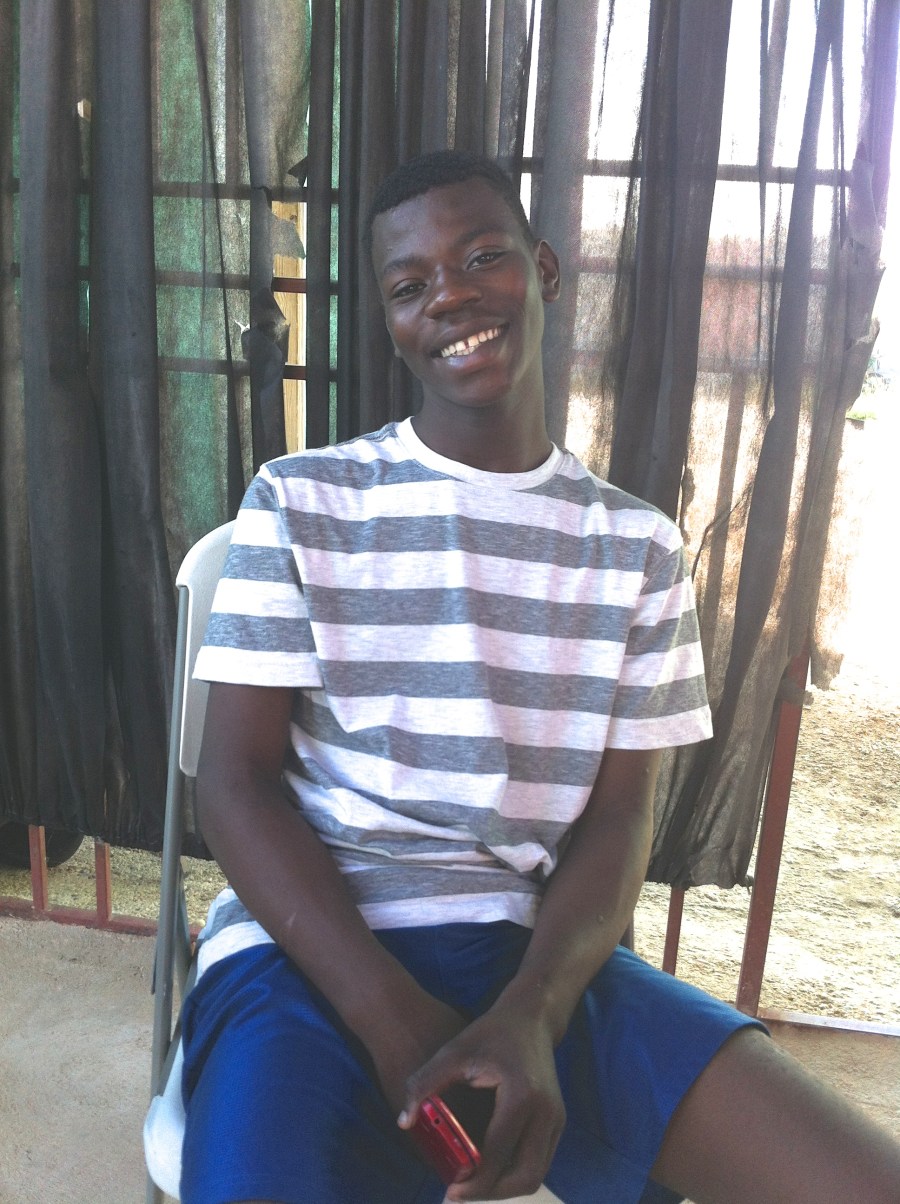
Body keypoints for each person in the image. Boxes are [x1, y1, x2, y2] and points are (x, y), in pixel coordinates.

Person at [181, 149, 900, 1204]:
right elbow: (233, 785)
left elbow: (619, 820)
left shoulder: (638, 548)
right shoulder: (300, 501)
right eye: (410, 284)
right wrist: (395, 1022)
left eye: (482, 257)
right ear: (390, 318)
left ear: (545, 268)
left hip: (529, 962)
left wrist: (532, 1014)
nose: (450, 297)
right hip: (309, 952)